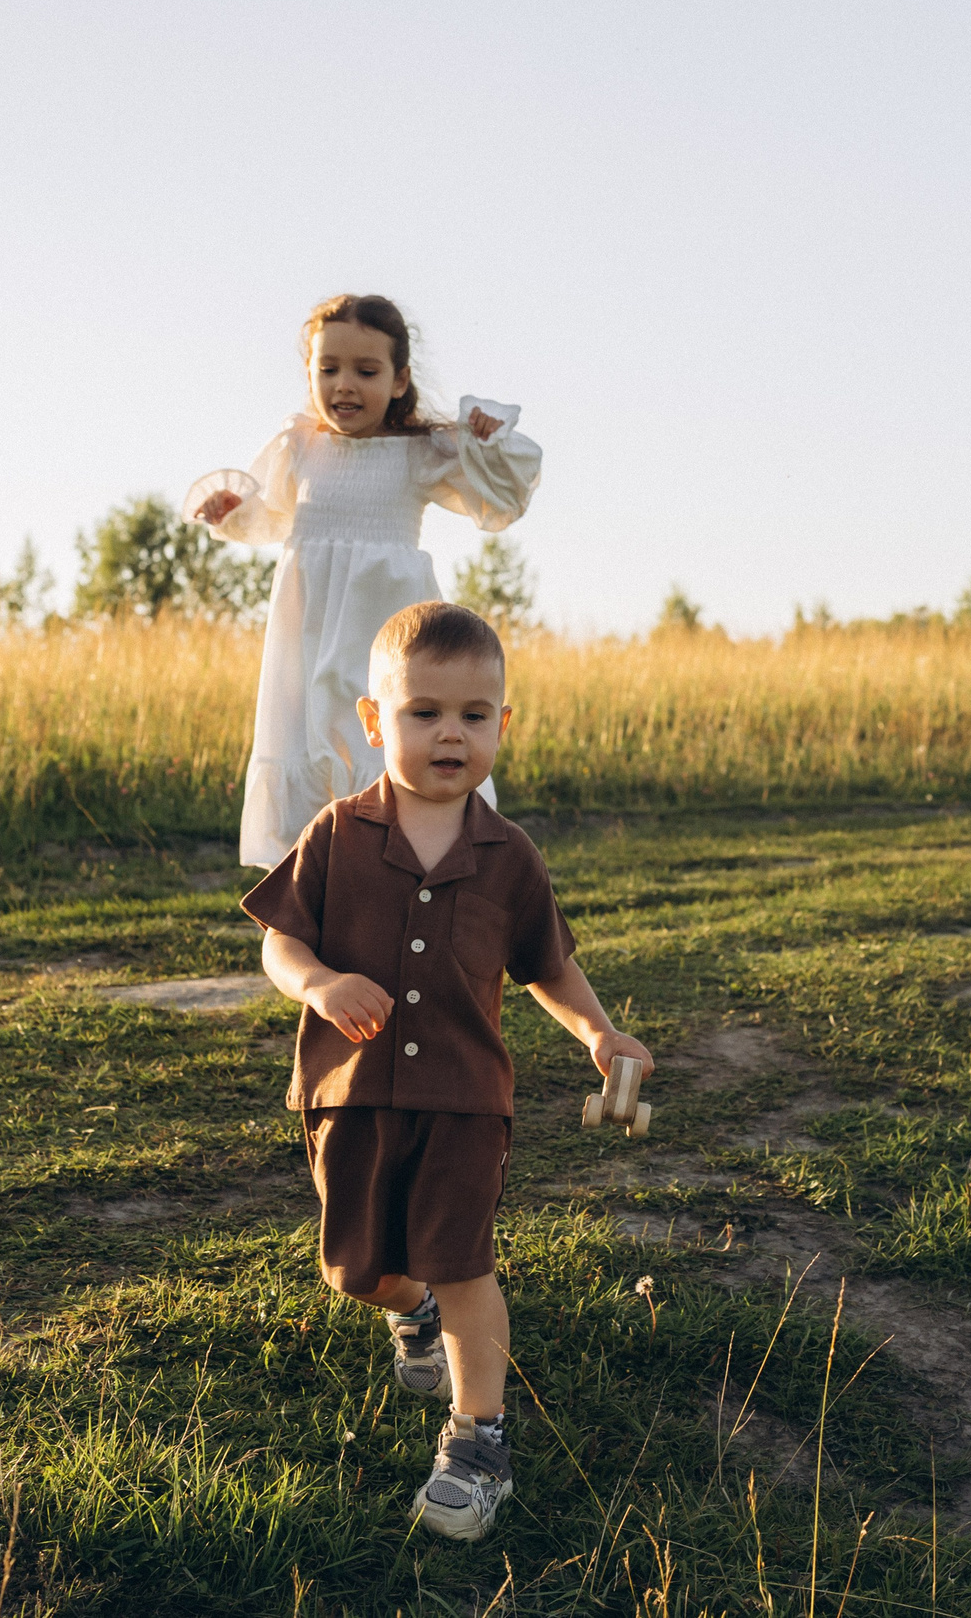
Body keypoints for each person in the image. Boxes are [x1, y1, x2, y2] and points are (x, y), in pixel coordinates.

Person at [241, 601, 652, 1544]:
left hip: (468, 1100)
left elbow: (547, 965)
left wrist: (600, 1033)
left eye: (474, 714)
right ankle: (410, 1310)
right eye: (424, 711)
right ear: (375, 721)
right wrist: (320, 982)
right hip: (349, 1094)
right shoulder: (338, 834)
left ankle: (479, 1440)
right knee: (357, 1270)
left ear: (503, 726)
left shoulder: (511, 858)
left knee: (463, 1259)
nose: (450, 733)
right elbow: (279, 944)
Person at [189, 293, 543, 867]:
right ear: (310, 374)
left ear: (400, 380)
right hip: (308, 629)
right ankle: (319, 893)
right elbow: (267, 514)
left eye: (366, 370)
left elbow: (501, 499)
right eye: (328, 369)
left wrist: (488, 439)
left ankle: (406, 875)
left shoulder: (418, 452)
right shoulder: (299, 447)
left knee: (378, 737)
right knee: (308, 738)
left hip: (385, 629)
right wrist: (229, 511)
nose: (344, 385)